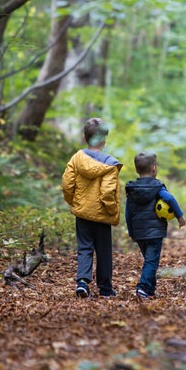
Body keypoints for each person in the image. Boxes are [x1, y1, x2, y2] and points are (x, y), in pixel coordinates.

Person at [62, 117, 123, 298]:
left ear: (85, 137)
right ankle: (105, 289)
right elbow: (107, 193)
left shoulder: (76, 158)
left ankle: (82, 282)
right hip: (102, 215)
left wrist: (73, 201)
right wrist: (112, 211)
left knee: (85, 248)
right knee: (104, 252)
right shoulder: (110, 164)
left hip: (83, 214)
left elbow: (67, 184)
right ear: (104, 139)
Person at [125, 151, 185, 298]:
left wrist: (131, 232)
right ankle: (143, 288)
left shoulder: (132, 189)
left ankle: (150, 290)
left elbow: (128, 213)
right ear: (154, 169)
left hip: (139, 232)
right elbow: (169, 199)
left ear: (136, 170)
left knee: (149, 261)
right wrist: (180, 216)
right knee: (151, 262)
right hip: (155, 232)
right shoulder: (158, 187)